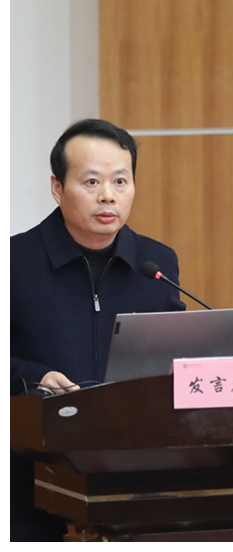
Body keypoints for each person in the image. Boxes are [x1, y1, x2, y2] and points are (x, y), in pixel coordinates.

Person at [10, 118, 186, 541]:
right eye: (91, 181)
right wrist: (32, 376)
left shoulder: (156, 263)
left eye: (120, 181)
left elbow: (177, 351)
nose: (108, 195)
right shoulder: (14, 261)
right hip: (31, 470)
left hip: (134, 471)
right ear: (57, 188)